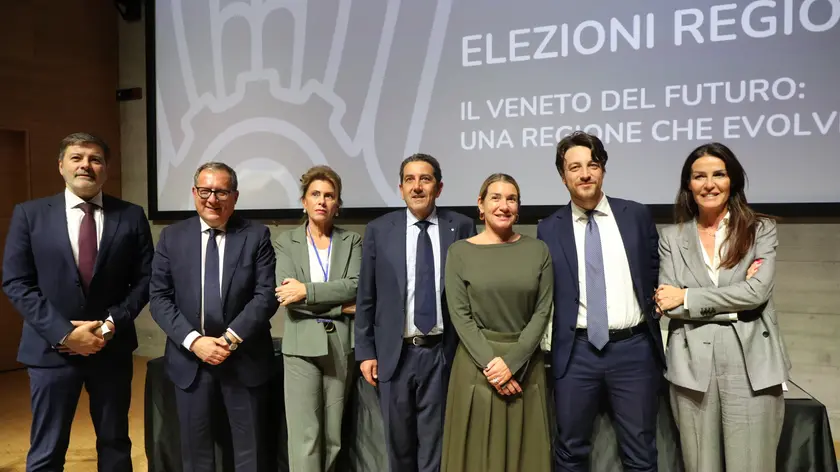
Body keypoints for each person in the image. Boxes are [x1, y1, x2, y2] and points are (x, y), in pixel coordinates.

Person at [1, 132, 153, 471]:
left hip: (110, 348)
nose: (86, 165)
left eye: (95, 159)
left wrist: (110, 325)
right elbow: (17, 282)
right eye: (76, 157)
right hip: (50, 350)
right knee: (47, 447)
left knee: (115, 442)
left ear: (106, 168)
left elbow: (146, 279)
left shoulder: (131, 215)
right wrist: (65, 334)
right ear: (61, 166)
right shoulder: (30, 214)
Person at [654, 142, 791, 472]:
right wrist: (734, 302)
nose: (709, 184)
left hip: (751, 362)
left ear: (733, 181)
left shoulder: (760, 229)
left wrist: (688, 297)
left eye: (719, 174)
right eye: (699, 176)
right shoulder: (671, 237)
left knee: (752, 464)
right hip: (691, 366)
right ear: (688, 184)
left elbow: (756, 292)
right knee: (700, 465)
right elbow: (667, 303)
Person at [536, 131, 664, 472]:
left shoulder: (636, 215)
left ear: (603, 169)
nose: (585, 174)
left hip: (633, 350)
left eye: (592, 165)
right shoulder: (549, 228)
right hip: (576, 353)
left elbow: (655, 271)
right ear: (563, 176)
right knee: (570, 450)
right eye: (574, 167)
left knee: (641, 452)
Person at [149, 162, 279, 472]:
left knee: (250, 454)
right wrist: (196, 343)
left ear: (235, 196)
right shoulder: (171, 237)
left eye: (221, 192)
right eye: (205, 191)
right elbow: (159, 298)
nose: (212, 199)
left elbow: (265, 296)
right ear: (194, 193)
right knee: (196, 455)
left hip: (244, 358)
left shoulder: (256, 235)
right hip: (190, 361)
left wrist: (229, 340)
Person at [354, 153, 476, 472]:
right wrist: (365, 352)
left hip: (441, 354)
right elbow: (366, 296)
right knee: (399, 448)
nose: (417, 186)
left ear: (439, 187)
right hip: (395, 355)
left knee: (436, 447)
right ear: (400, 188)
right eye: (410, 179)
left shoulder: (461, 226)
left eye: (425, 179)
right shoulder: (380, 230)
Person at [442, 173, 553, 472]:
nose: (504, 206)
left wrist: (513, 363)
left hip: (525, 370)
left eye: (511, 199)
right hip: (476, 367)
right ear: (480, 205)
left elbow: (542, 311)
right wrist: (494, 367)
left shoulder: (538, 251)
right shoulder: (459, 252)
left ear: (518, 207)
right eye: (496, 198)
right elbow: (460, 316)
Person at [273, 165, 362, 471]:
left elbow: (354, 286)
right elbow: (288, 298)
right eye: (315, 194)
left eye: (329, 195)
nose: (322, 201)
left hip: (340, 346)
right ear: (304, 201)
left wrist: (306, 291)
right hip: (301, 347)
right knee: (305, 437)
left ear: (337, 204)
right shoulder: (286, 241)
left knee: (333, 437)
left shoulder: (352, 241)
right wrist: (340, 307)